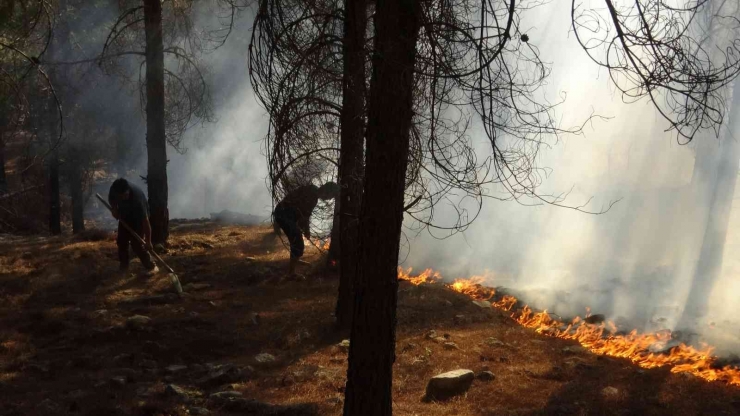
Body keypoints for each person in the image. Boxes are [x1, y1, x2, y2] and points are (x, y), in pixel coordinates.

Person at [273, 181, 339, 277]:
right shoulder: (312, 196)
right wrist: (307, 231)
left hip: (283, 213)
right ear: (327, 191)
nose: (328, 199)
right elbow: (304, 217)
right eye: (330, 196)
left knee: (295, 239)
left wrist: (304, 228)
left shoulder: (312, 190)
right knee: (298, 243)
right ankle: (291, 274)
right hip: (284, 215)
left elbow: (302, 213)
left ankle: (295, 261)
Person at [108, 178, 159, 275]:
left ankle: (151, 265)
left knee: (136, 244)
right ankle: (124, 266)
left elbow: (145, 222)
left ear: (128, 191)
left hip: (138, 219)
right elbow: (111, 199)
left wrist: (148, 241)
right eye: (121, 196)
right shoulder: (114, 189)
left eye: (126, 195)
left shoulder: (137, 199)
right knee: (121, 241)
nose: (124, 198)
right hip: (124, 215)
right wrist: (114, 209)